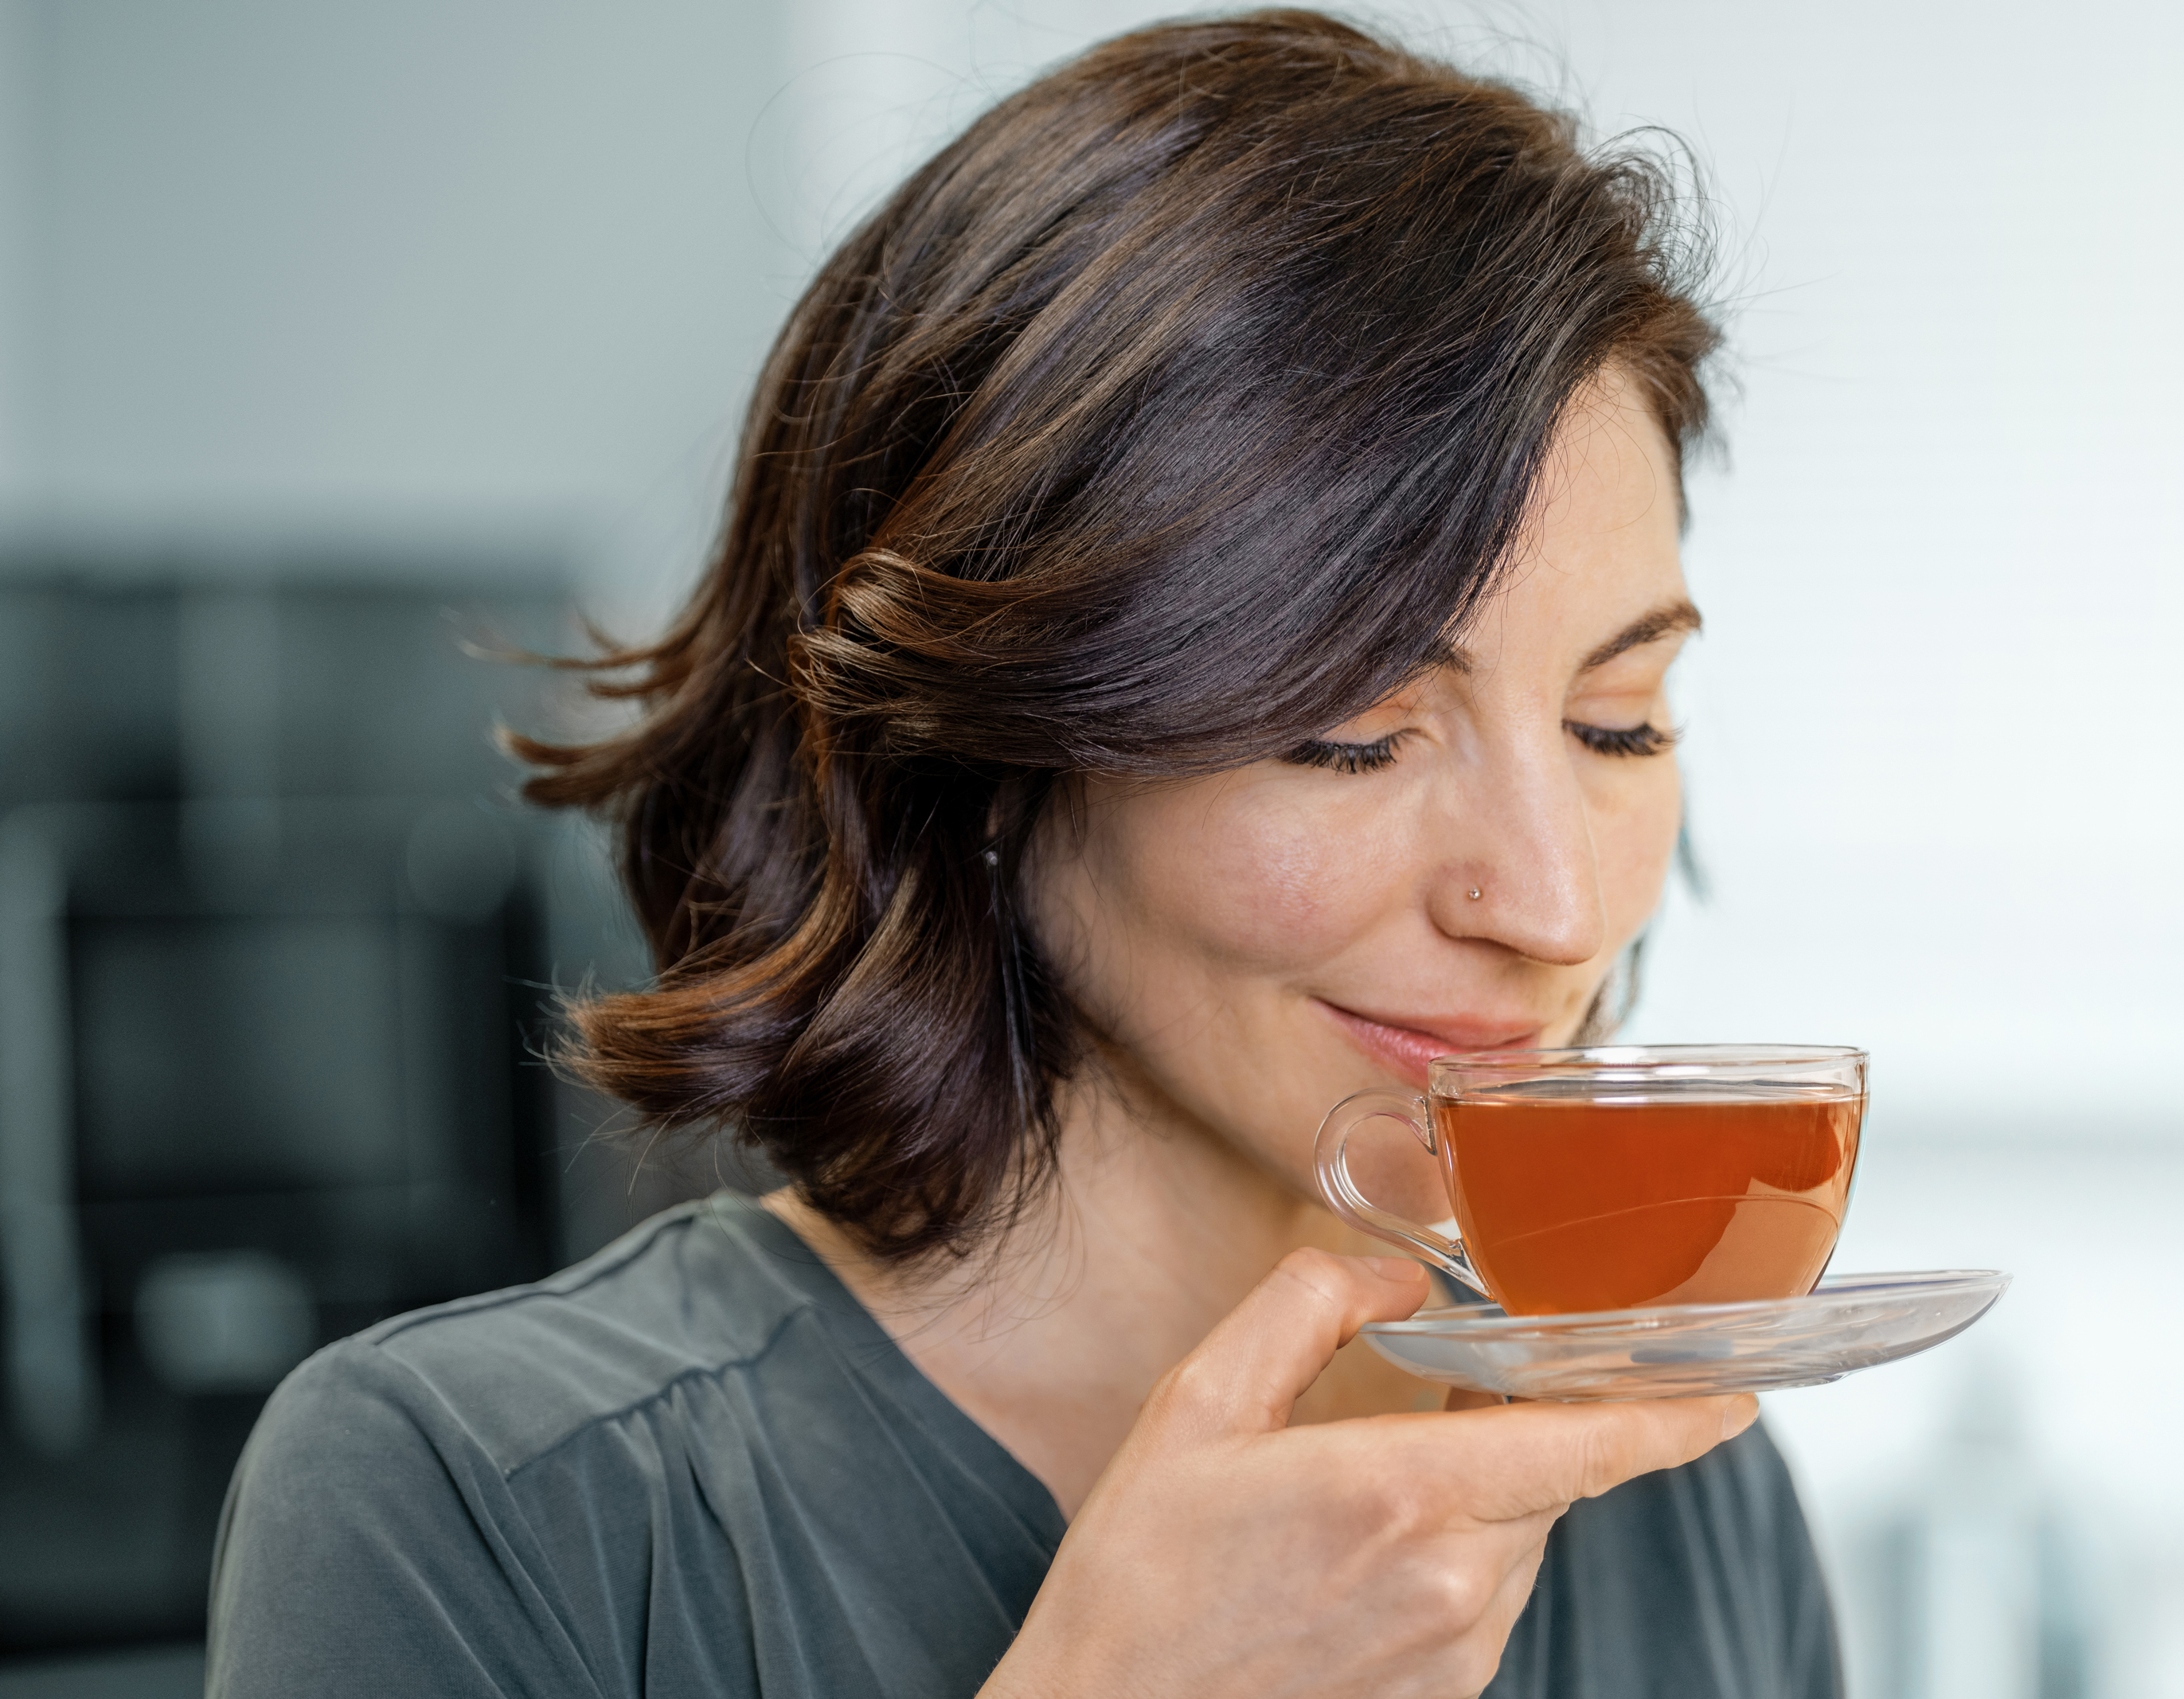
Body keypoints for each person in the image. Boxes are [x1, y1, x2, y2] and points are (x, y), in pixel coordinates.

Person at [206, 11, 1841, 1696]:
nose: (1550, 903)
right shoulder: (471, 1505)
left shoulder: (1659, 1476)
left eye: (1617, 723)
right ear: (991, 742)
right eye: (1350, 731)